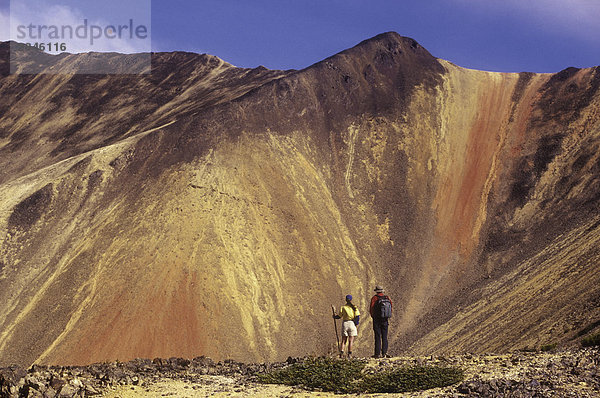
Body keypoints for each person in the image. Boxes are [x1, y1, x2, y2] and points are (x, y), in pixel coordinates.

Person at [370, 285, 392, 358]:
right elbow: (391, 308)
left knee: (377, 336)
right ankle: (384, 353)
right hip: (385, 320)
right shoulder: (387, 298)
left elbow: (371, 309)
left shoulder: (374, 298)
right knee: (385, 337)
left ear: (376, 291)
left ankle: (377, 354)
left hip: (377, 320)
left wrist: (374, 317)